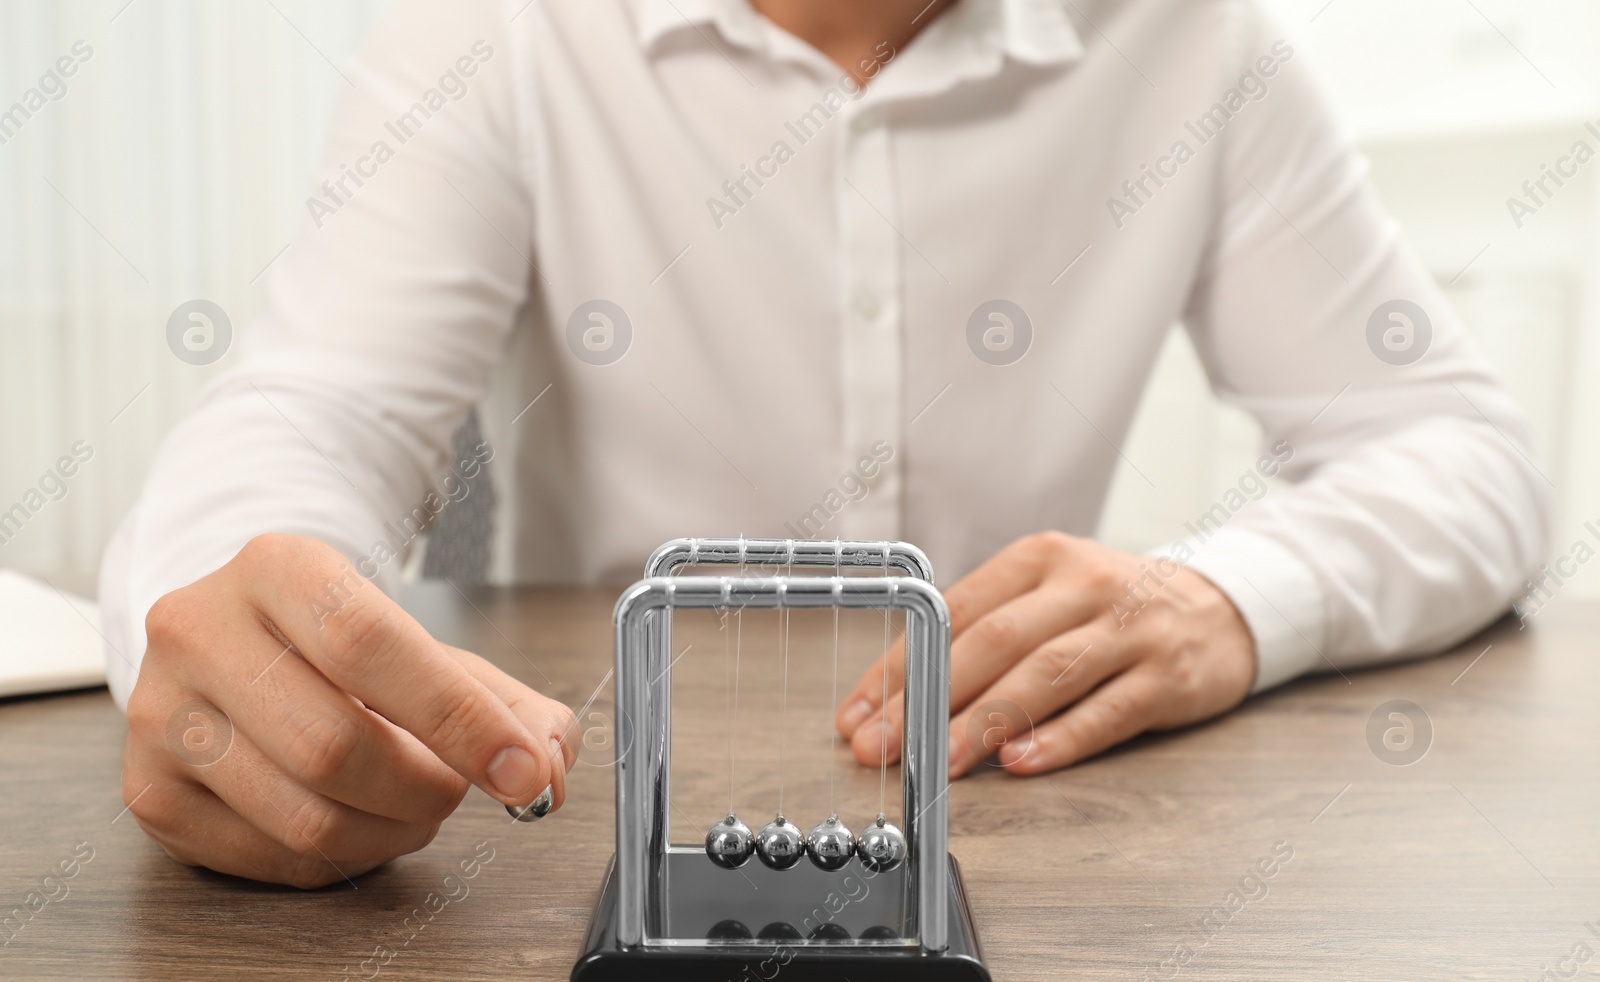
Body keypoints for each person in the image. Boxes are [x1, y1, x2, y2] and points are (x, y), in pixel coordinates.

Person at [101, 0, 1547, 888]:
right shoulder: (504, 25)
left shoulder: (1198, 43)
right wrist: (232, 613)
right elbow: (319, 410)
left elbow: (1458, 447)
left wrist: (1228, 597)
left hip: (1024, 828)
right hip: (596, 834)